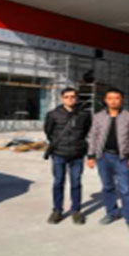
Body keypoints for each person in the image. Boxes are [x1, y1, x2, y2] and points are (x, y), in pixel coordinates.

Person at [87, 87, 129, 234]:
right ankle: (112, 213)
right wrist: (91, 156)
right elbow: (93, 137)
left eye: (116, 98)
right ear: (105, 100)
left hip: (122, 158)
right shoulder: (98, 117)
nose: (113, 101)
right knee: (107, 187)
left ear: (121, 100)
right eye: (110, 98)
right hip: (103, 157)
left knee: (126, 189)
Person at [44, 87, 91, 225]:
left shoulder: (84, 114)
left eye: (73, 96)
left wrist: (79, 144)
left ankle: (76, 211)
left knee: (76, 183)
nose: (70, 99)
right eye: (67, 97)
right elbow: (48, 132)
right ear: (62, 98)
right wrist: (58, 144)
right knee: (58, 182)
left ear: (76, 98)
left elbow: (87, 130)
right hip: (59, 154)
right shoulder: (53, 114)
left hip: (77, 154)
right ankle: (57, 210)